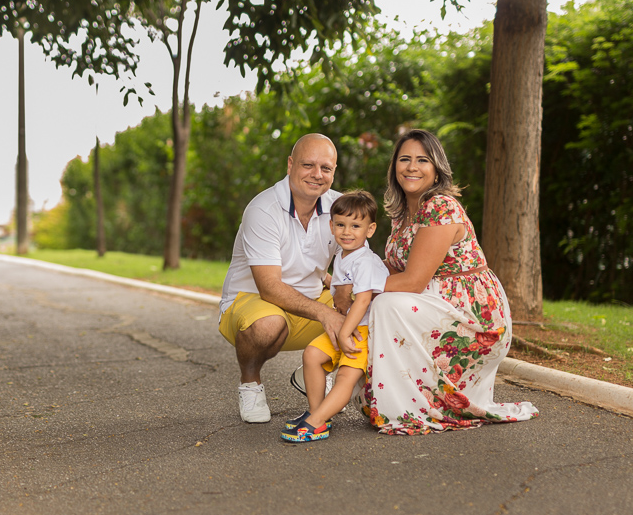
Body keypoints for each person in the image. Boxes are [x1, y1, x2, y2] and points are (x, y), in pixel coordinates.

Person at [352, 129, 539, 435]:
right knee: (367, 303)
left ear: (436, 168)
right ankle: (341, 388)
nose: (412, 167)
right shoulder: (403, 213)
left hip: (473, 316)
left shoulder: (440, 206)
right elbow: (392, 266)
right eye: (405, 159)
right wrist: (347, 279)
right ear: (394, 167)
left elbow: (412, 281)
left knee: (383, 303)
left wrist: (360, 288)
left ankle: (404, 408)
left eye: (422, 160)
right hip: (435, 303)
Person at [218, 134, 348, 423]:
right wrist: (327, 314)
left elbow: (354, 267)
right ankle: (250, 384)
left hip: (309, 301)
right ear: (290, 165)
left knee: (370, 310)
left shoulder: (340, 207)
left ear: (334, 171)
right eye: (308, 165)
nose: (317, 175)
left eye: (326, 168)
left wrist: (341, 294)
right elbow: (270, 288)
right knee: (269, 324)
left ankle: (313, 371)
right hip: (252, 305)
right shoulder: (263, 210)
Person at [281, 190, 389, 443]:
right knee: (312, 355)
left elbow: (363, 300)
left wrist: (343, 332)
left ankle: (316, 422)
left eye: (355, 226)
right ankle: (318, 413)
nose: (347, 232)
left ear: (370, 229)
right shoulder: (342, 256)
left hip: (361, 332)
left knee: (345, 377)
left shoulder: (365, 261)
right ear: (331, 226)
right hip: (345, 326)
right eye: (340, 225)